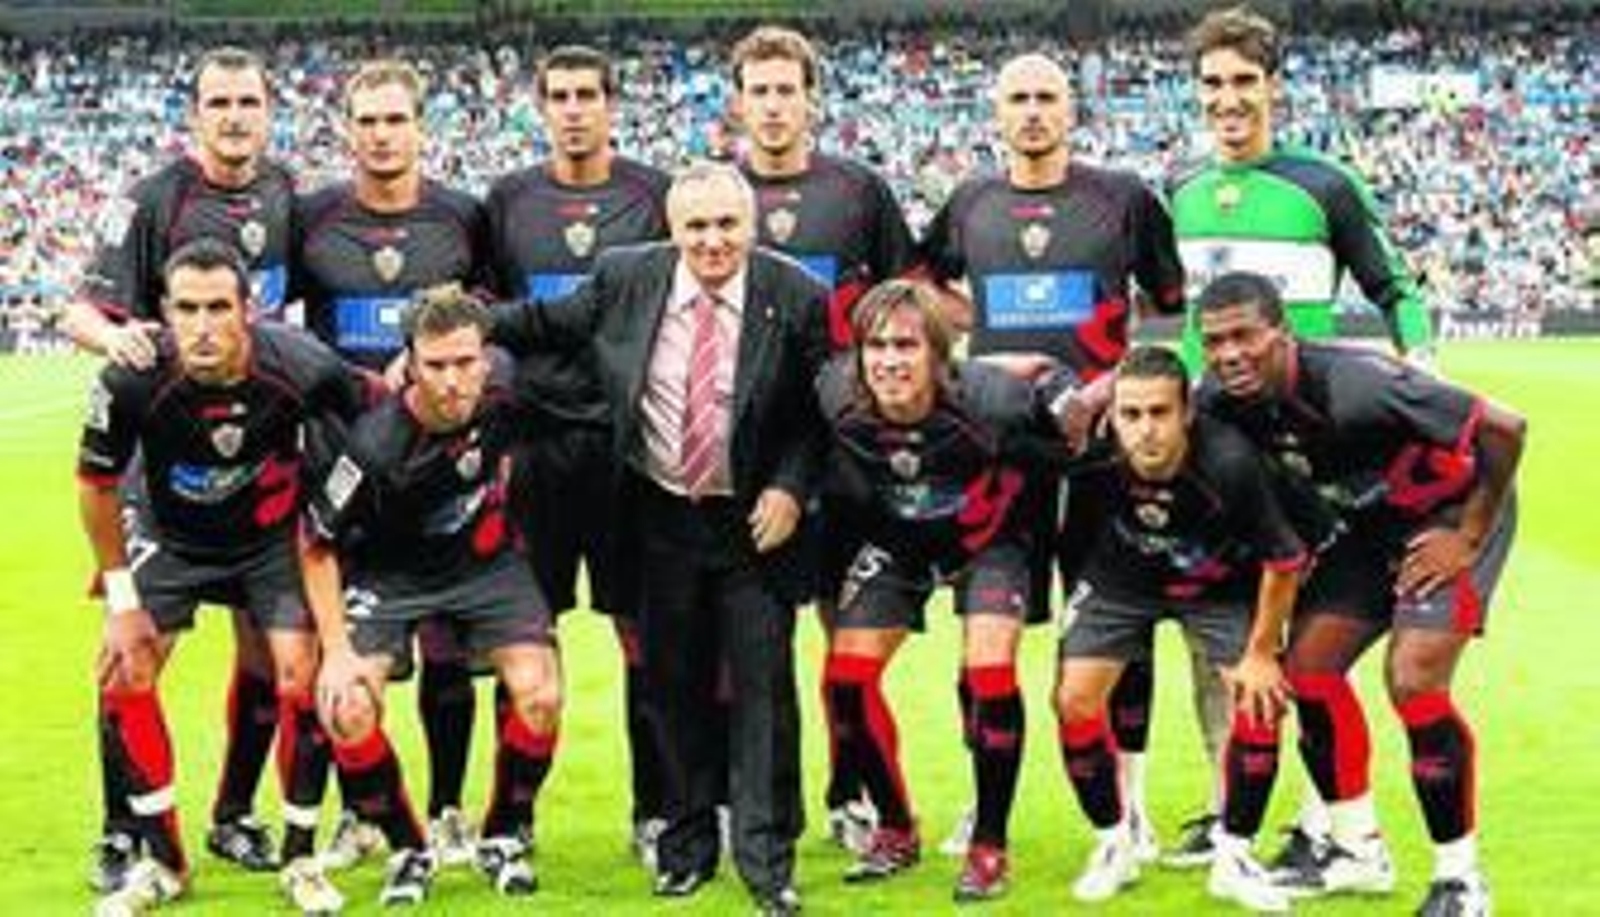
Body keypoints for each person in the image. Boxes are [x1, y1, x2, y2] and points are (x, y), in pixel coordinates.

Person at [1144, 4, 1443, 871]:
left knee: (1310, 644)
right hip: (1215, 445)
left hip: (1308, 451)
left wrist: (1420, 370)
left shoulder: (1325, 185)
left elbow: (1396, 286)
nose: (1228, 98)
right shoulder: (1182, 188)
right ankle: (1227, 806)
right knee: (1224, 634)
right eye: (1212, 83)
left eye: (1245, 80)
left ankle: (1325, 822)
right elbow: (1175, 311)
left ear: (1274, 86)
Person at [492, 161, 827, 917]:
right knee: (671, 691)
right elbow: (543, 323)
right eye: (696, 226)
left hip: (754, 523)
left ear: (752, 224)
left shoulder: (796, 294)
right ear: (672, 229)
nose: (712, 241)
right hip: (659, 517)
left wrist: (789, 487)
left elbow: (816, 413)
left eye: (726, 224)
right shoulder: (626, 277)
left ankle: (767, 863)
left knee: (762, 692)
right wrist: (447, 325)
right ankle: (684, 849)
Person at [916, 49, 1185, 864]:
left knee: (1121, 624)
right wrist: (976, 336)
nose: (1033, 112)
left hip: (1101, 449)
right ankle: (983, 796)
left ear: (1073, 109)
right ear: (996, 113)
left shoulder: (1123, 198)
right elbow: (920, 282)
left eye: (1046, 97)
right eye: (1018, 99)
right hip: (999, 451)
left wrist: (1115, 381)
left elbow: (1170, 304)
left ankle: (1132, 803)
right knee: (984, 630)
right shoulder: (971, 201)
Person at [1196, 271, 1523, 916]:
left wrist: (1469, 534)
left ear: (1282, 334)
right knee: (1308, 671)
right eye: (1213, 342)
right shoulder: (1221, 400)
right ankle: (1356, 852)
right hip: (1367, 528)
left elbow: (1506, 428)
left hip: (1447, 521)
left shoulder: (1358, 385)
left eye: (1243, 336)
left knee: (1414, 679)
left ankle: (1461, 881)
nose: (1228, 354)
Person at [62, 47, 296, 885]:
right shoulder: (154, 198)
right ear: (194, 114)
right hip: (164, 470)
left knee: (266, 654)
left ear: (270, 111)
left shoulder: (286, 193)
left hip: (259, 464)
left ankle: (234, 815)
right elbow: (80, 310)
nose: (234, 117)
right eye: (218, 103)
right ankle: (122, 830)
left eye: (247, 102)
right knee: (129, 654)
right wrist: (115, 337)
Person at [79, 239, 367, 916]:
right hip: (168, 535)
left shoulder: (303, 365)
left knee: (302, 674)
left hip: (269, 538)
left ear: (249, 309)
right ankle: (163, 862)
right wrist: (121, 598)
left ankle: (300, 858)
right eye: (186, 309)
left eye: (218, 308)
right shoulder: (131, 377)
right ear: (163, 312)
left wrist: (333, 522)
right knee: (124, 671)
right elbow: (94, 486)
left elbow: (374, 428)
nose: (202, 326)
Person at [815, 279, 1087, 901]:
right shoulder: (836, 392)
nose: (889, 361)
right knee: (845, 683)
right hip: (900, 542)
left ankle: (989, 845)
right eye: (876, 345)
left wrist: (1066, 398)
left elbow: (1051, 383)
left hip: (990, 541)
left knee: (990, 674)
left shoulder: (992, 397)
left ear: (939, 355)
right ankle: (895, 829)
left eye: (906, 346)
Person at [293, 57, 493, 869]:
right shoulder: (311, 217)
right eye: (367, 120)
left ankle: (447, 811)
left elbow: (493, 324)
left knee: (447, 649)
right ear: (347, 129)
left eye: (395, 119)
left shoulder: (463, 217)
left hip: (441, 471)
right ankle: (361, 815)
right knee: (343, 650)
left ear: (421, 126)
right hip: (347, 470)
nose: (381, 134)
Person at [303, 287, 561, 907]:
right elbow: (315, 543)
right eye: (436, 365)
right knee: (345, 707)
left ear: (485, 357)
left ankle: (502, 835)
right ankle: (408, 848)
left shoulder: (505, 386)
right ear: (409, 364)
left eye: (465, 362)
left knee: (540, 696)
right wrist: (335, 650)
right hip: (390, 576)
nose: (452, 380)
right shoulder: (375, 446)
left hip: (486, 568)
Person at [727, 23, 919, 854]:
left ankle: (854, 794)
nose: (773, 106)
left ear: (811, 99)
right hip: (748, 456)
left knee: (847, 638)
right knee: (748, 646)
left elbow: (909, 304)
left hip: (848, 453)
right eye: (759, 91)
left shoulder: (859, 191)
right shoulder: (715, 195)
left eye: (786, 90)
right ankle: (747, 803)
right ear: (737, 103)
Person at [483, 44, 675, 869]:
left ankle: (656, 812)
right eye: (558, 96)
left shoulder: (654, 194)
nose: (572, 110)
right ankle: (512, 817)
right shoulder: (509, 200)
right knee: (527, 634)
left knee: (645, 638)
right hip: (534, 448)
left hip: (629, 448)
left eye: (586, 95)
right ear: (540, 107)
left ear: (612, 104)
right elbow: (484, 314)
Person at [1052, 345, 1305, 913]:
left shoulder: (1230, 462)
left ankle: (1235, 857)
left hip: (1217, 588)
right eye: (1130, 414)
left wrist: (1262, 654)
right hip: (1121, 583)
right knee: (1073, 701)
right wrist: (1080, 621)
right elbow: (1074, 540)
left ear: (1187, 413)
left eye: (1159, 413)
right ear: (1112, 415)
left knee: (1259, 700)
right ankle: (1115, 843)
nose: (1145, 430)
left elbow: (1285, 560)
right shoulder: (1095, 459)